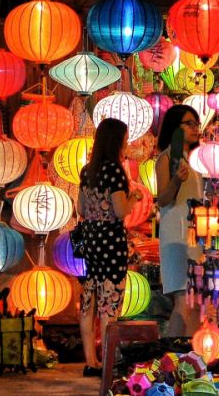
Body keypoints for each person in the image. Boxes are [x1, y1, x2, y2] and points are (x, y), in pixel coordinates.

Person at [74, 119, 132, 376]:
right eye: (125, 138)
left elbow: (81, 209)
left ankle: (90, 361)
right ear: (116, 141)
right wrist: (135, 198)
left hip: (91, 240)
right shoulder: (115, 171)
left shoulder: (88, 171)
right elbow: (120, 210)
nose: (126, 143)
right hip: (111, 241)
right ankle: (108, 362)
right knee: (109, 301)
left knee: (89, 299)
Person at [154, 105, 204, 338]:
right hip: (175, 234)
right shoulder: (166, 158)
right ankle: (172, 357)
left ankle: (192, 358)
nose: (196, 128)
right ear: (176, 128)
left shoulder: (195, 159)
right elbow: (163, 199)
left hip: (194, 234)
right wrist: (175, 180)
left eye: (197, 123)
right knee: (183, 299)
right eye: (189, 123)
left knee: (195, 302)